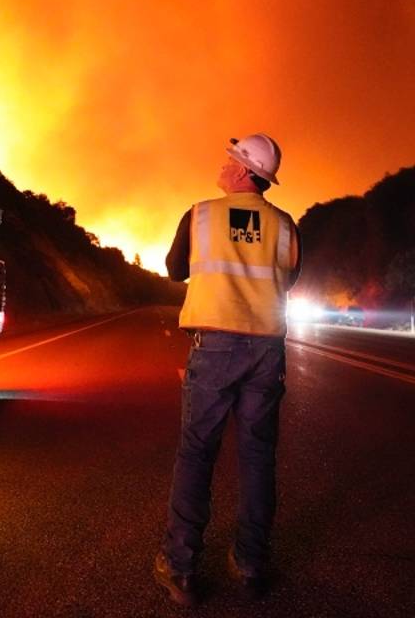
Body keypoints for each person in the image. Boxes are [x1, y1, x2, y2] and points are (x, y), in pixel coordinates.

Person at [154, 133, 302, 605]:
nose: (222, 165)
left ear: (242, 172)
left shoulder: (199, 215)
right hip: (265, 351)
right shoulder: (284, 225)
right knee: (258, 457)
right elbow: (289, 276)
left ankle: (180, 568)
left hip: (215, 348)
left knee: (197, 453)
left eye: (229, 160)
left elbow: (175, 269)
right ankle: (252, 562)